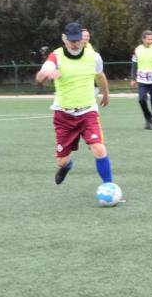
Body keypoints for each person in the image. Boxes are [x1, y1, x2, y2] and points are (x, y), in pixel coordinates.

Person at [35, 22, 116, 187]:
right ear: (64, 39)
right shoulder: (55, 56)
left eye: (78, 40)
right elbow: (39, 78)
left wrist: (106, 93)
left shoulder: (93, 56)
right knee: (61, 161)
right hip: (64, 115)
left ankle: (110, 186)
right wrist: (46, 74)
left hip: (87, 112)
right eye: (72, 40)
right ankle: (67, 165)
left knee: (99, 149)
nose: (75, 43)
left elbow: (100, 76)